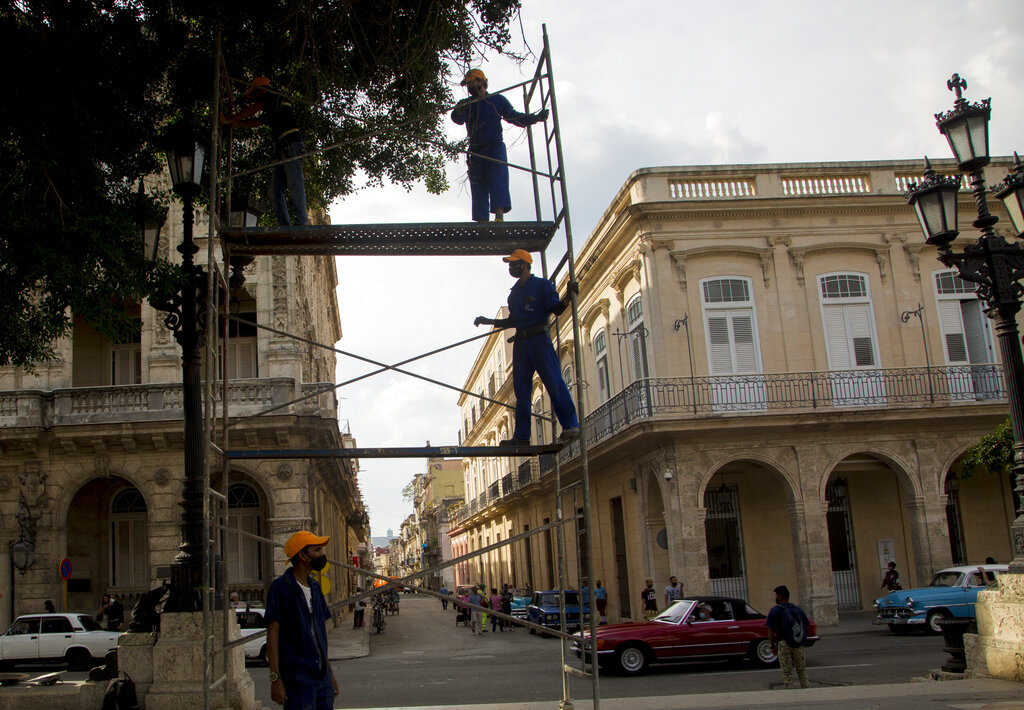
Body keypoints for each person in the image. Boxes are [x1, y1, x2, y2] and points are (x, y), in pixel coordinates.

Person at [474, 249, 580, 445]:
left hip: (539, 340)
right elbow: (512, 321)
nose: (511, 267)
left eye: (514, 263)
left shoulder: (541, 285)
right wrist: (488, 320)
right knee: (521, 392)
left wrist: (568, 296)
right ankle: (521, 436)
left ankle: (570, 425)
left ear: (525, 264)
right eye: (509, 264)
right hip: (521, 344)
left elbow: (556, 309)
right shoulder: (514, 295)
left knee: (554, 381)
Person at [450, 69, 549, 223]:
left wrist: (534, 118)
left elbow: (514, 116)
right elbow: (457, 119)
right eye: (467, 84)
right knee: (478, 184)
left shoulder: (497, 100)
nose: (470, 86)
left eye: (472, 82)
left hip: (494, 146)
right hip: (476, 150)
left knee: (498, 180)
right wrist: (459, 109)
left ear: (482, 82)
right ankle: (482, 221)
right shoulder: (467, 104)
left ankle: (499, 216)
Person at [265, 530, 339, 709]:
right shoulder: (280, 588)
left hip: (322, 678)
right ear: (303, 555)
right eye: (317, 550)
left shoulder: (315, 587)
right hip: (297, 679)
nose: (322, 555)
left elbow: (320, 635)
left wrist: (330, 674)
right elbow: (272, 635)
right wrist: (275, 679)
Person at [221, 76, 308, 227]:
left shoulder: (274, 96)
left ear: (261, 90)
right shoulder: (273, 108)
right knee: (274, 192)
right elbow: (256, 122)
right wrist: (237, 124)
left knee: (295, 183)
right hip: (281, 147)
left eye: (255, 94)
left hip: (292, 144)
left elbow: (254, 109)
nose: (255, 99)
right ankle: (285, 227)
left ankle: (301, 223)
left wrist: (230, 119)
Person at [766, 585, 810, 690]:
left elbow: (771, 630)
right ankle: (807, 690)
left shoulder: (775, 610)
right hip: (798, 643)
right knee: (802, 670)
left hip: (783, 643)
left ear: (780, 596)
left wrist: (772, 645)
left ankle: (790, 693)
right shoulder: (798, 609)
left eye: (776, 595)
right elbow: (805, 625)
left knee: (787, 672)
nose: (775, 597)